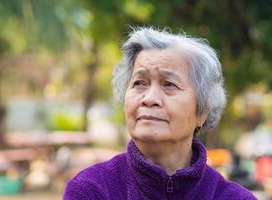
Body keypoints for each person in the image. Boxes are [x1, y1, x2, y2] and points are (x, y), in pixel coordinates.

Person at [63, 27, 256, 200]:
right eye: (139, 83)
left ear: (202, 111)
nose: (149, 98)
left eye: (169, 84)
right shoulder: (91, 190)